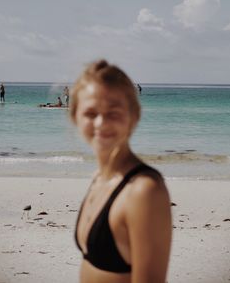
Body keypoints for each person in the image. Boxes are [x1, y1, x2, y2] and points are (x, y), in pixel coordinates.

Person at [70, 60, 172, 283]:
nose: (100, 122)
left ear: (134, 117)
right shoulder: (100, 178)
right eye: (90, 113)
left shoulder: (143, 191)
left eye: (113, 112)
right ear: (74, 116)